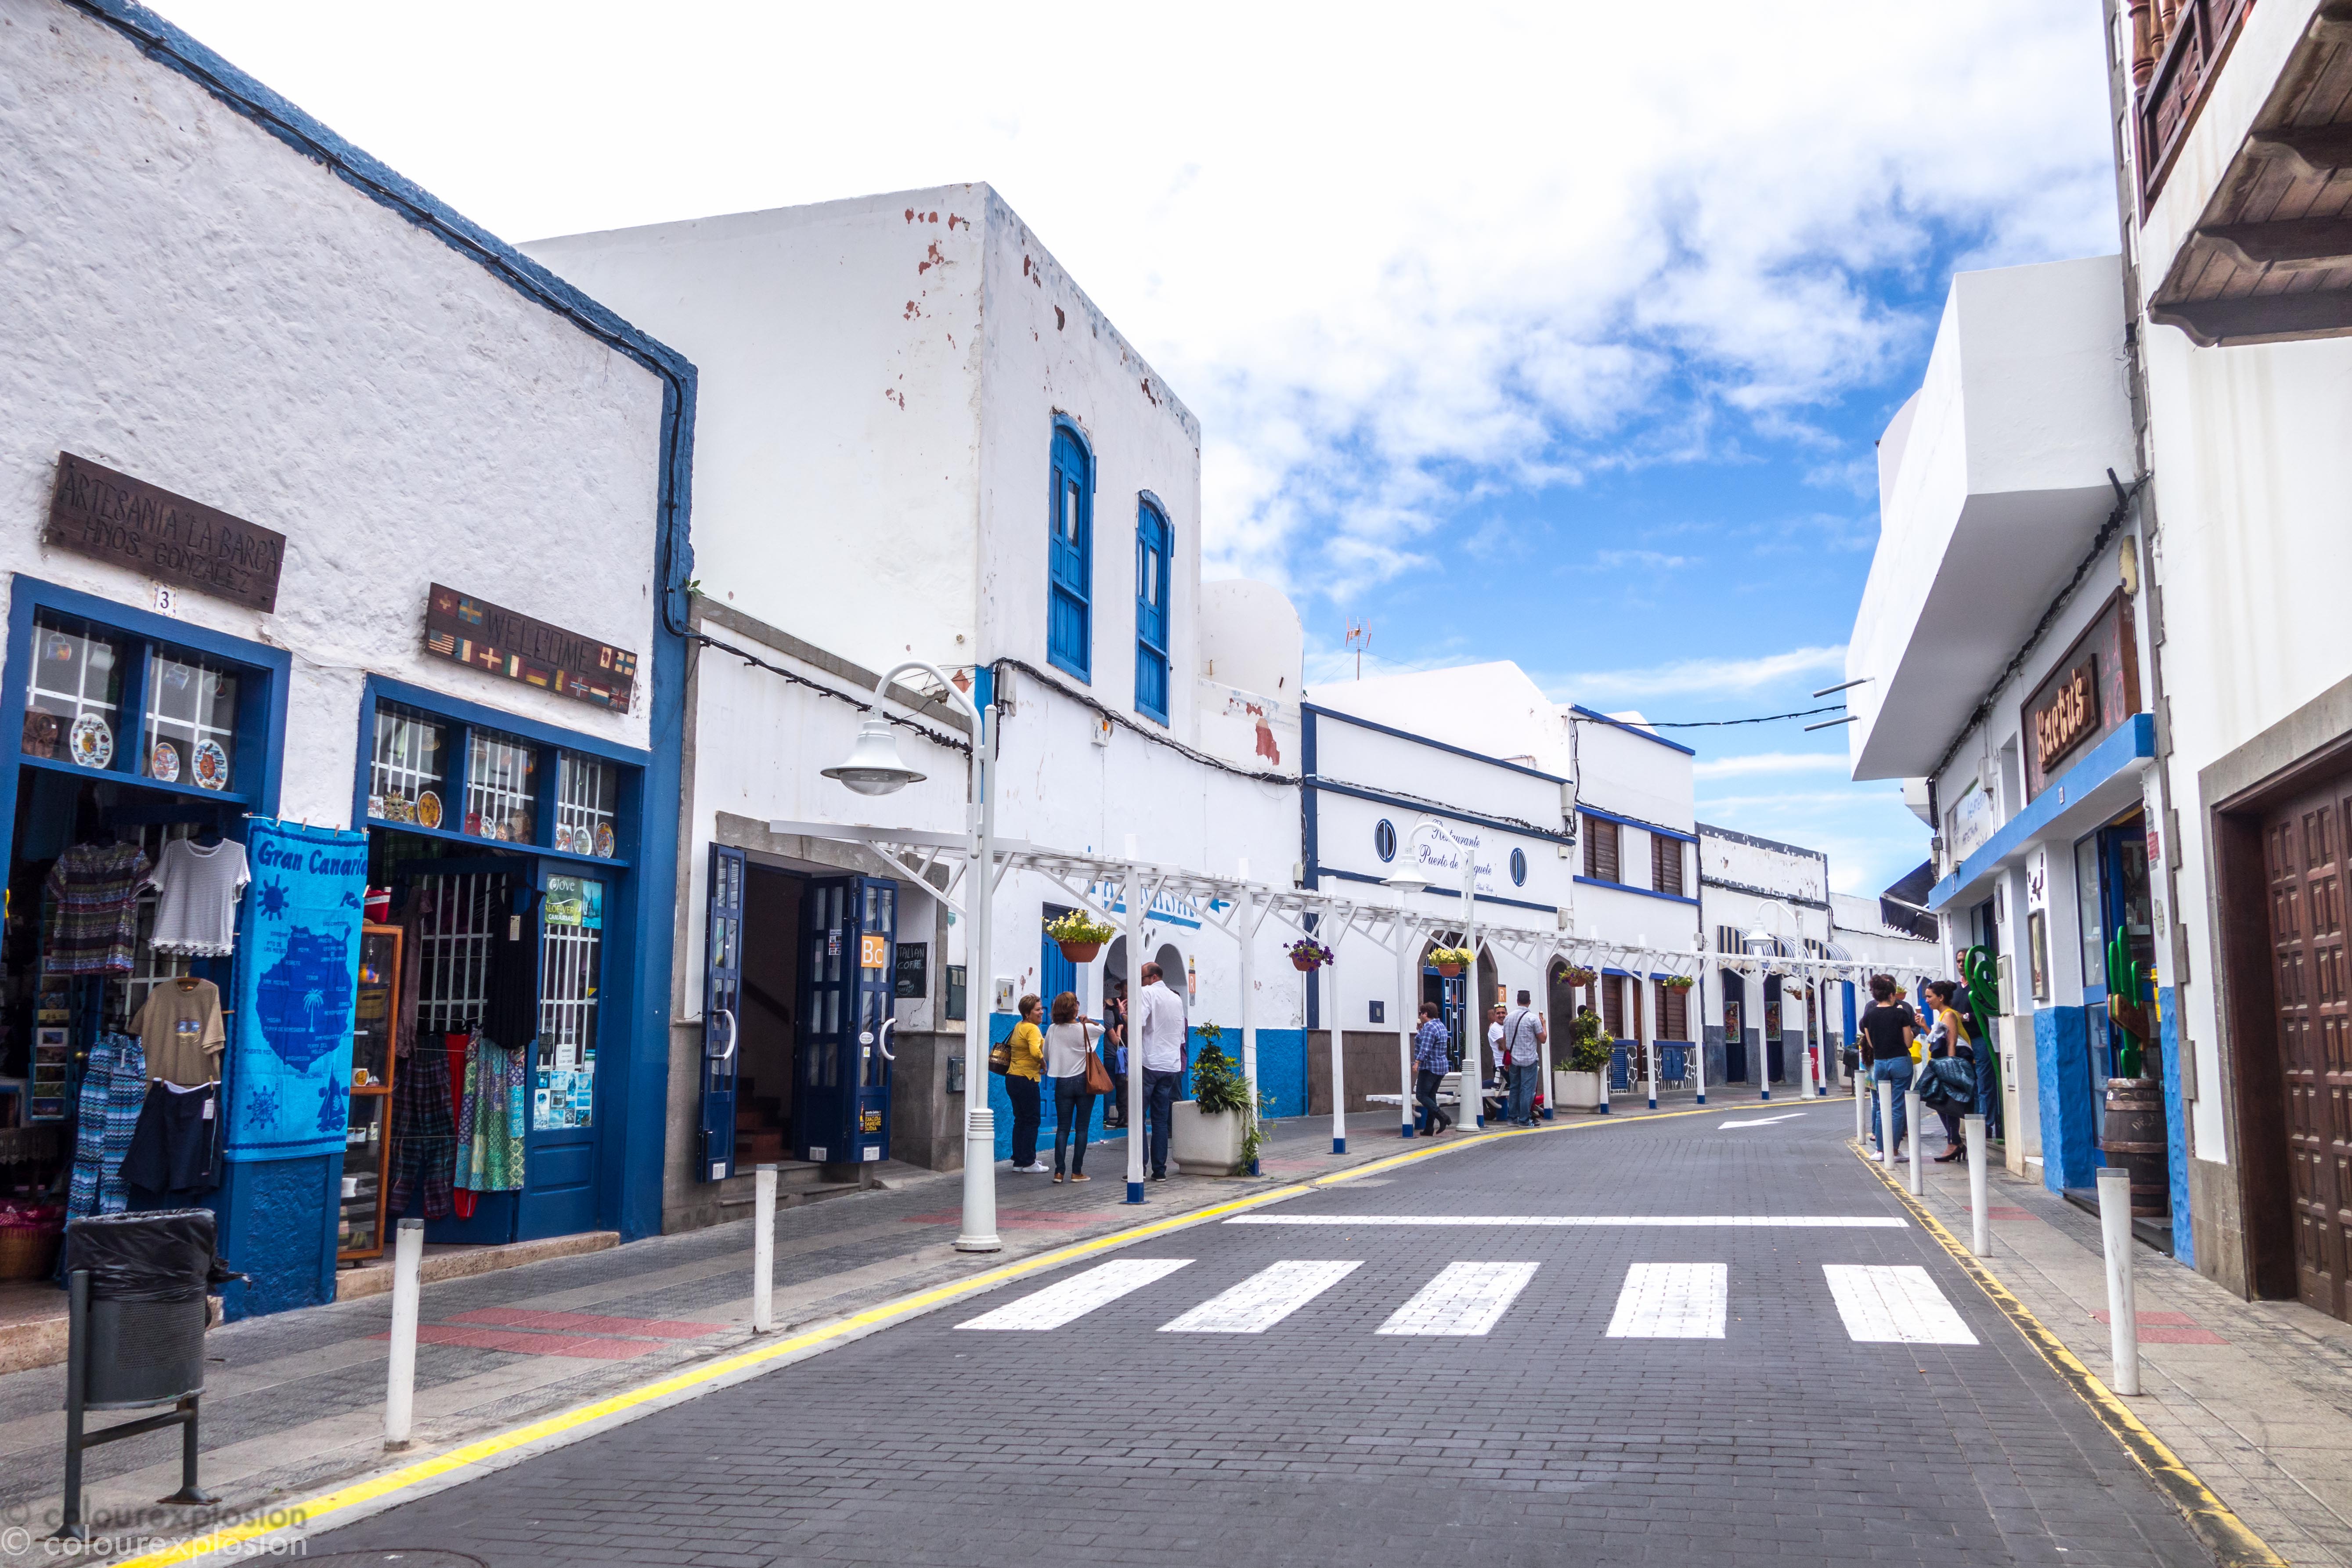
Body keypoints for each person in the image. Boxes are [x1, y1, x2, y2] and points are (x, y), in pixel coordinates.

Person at [1136, 961, 1189, 1181]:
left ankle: (1138, 1168)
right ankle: (1160, 1171)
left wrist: (1125, 1016)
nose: (1141, 983)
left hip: (1150, 1062)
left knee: (1138, 1116)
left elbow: (1138, 1024)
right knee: (1159, 1120)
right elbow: (1181, 1035)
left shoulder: (1147, 993)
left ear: (1153, 978)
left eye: (1142, 979)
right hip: (1171, 1065)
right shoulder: (1176, 999)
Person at [1043, 991, 1103, 1182]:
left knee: (1063, 1128)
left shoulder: (1053, 1029)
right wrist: (1088, 1020)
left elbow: (1046, 1054)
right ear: (1074, 1008)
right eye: (1076, 1003)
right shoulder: (1085, 1029)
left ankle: (1059, 1172)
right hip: (1084, 1082)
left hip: (1063, 1082)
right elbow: (1102, 1029)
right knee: (1082, 1128)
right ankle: (1077, 1172)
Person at [1858, 974, 1916, 1158]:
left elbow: (1871, 1043)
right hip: (1900, 1061)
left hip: (1880, 1063)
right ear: (1892, 995)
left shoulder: (1869, 1016)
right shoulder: (1901, 1014)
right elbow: (1909, 1043)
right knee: (1897, 1107)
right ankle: (1894, 1150)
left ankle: (1880, 1149)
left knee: (1882, 1106)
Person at [1920, 979, 1976, 1163]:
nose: (1927, 1000)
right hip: (1942, 1065)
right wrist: (1925, 1026)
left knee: (1947, 1104)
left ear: (1941, 997)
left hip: (1948, 1066)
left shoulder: (1949, 1015)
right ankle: (1955, 1142)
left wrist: (1949, 1068)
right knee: (1940, 1103)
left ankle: (1954, 1143)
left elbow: (1951, 1042)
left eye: (1930, 997)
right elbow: (1938, 1041)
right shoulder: (1943, 1015)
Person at [1005, 994, 1047, 1173]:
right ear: (1027, 1014)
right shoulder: (1032, 1029)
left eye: (1041, 1008)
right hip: (1027, 1079)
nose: (1042, 1012)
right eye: (1037, 1010)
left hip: (1012, 1078)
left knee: (1020, 1120)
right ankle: (1030, 1162)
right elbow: (1035, 1051)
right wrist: (1043, 1063)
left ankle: (1019, 1161)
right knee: (1032, 1120)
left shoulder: (1019, 1026)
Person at [1500, 989, 1547, 1125]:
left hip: (1513, 1060)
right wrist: (1543, 1024)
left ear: (1517, 1001)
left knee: (1515, 1088)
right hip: (1529, 1060)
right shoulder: (1533, 1019)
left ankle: (1512, 1118)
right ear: (1530, 1002)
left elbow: (1505, 1041)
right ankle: (1525, 1119)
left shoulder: (1508, 1018)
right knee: (1527, 1090)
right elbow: (1543, 1039)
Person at [1412, 1001, 1453, 1136]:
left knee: (1421, 1095)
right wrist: (1421, 1030)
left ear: (1426, 1014)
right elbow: (1430, 1042)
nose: (1420, 1016)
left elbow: (1426, 1048)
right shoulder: (1440, 1025)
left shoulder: (1430, 1027)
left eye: (1421, 1013)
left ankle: (1443, 1117)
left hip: (1430, 1067)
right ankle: (1429, 1128)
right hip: (1441, 1067)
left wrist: (1417, 1062)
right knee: (1431, 1096)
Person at [1101, 981, 1129, 1128]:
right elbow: (1114, 1039)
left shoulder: (1136, 1007)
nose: (1128, 994)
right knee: (1112, 1085)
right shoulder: (1111, 1008)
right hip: (1114, 1054)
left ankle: (1122, 1117)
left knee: (1122, 1086)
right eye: (1126, 991)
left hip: (1124, 1054)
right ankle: (1108, 1117)